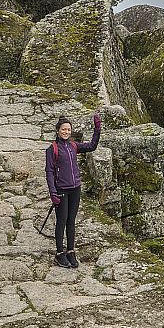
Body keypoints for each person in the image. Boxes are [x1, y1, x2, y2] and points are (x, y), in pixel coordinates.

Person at [45, 114, 100, 268]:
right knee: (61, 222)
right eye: (63, 129)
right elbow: (49, 172)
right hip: (61, 190)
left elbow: (92, 146)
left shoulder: (73, 146)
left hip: (75, 189)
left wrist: (97, 129)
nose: (66, 132)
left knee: (71, 221)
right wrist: (53, 193)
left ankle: (70, 251)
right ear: (57, 131)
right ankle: (59, 254)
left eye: (68, 130)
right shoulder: (52, 149)